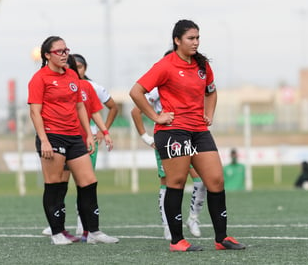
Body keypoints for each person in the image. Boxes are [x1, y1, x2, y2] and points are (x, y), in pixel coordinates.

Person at [129, 20, 246, 252]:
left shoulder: (202, 65)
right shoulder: (165, 65)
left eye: (198, 37)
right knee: (177, 182)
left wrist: (208, 115)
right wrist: (156, 116)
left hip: (199, 131)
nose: (196, 42)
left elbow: (211, 92)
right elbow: (136, 92)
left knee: (215, 180)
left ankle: (221, 238)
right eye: (191, 38)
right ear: (177, 40)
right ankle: (177, 241)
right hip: (173, 131)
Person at [28, 36, 118, 245]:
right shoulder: (39, 78)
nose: (64, 54)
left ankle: (93, 231)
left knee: (89, 181)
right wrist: (44, 141)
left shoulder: (71, 75)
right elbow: (35, 112)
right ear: (47, 55)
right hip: (52, 136)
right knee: (56, 185)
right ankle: (57, 233)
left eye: (66, 50)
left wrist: (88, 134)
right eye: (59, 51)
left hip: (74, 137)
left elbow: (80, 107)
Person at [131, 87, 206, 240]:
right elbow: (135, 111)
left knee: (202, 179)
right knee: (168, 182)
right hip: (168, 139)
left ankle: (193, 218)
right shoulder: (159, 90)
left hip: (190, 135)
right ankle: (167, 226)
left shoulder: (189, 83)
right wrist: (146, 138)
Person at [72, 53, 119, 236]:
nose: (76, 70)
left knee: (84, 182)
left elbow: (112, 107)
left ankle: (82, 224)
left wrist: (103, 130)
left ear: (85, 68)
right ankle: (56, 222)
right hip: (66, 137)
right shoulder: (63, 85)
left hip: (87, 138)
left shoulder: (93, 87)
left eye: (80, 67)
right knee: (59, 181)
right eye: (73, 66)